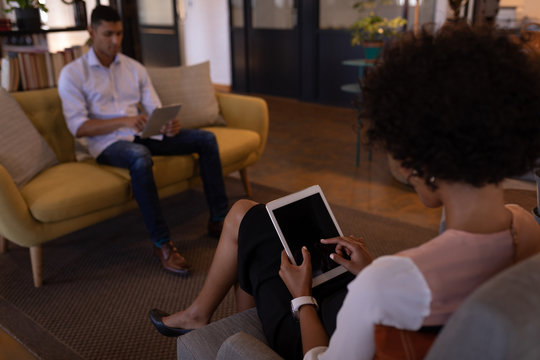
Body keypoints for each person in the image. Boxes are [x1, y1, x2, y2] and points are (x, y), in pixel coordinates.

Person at [149, 24, 540, 359]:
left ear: (412, 158)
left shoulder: (387, 281)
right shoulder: (528, 229)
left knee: (254, 227)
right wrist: (369, 270)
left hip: (313, 331)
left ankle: (223, 324)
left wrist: (302, 298)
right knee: (252, 217)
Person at [57, 5, 229, 275]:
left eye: (120, 33)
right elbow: (79, 128)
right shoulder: (73, 74)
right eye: (108, 34)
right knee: (139, 156)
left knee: (206, 139)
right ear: (91, 32)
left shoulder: (134, 68)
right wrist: (124, 121)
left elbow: (153, 108)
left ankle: (219, 220)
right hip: (107, 144)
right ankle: (162, 244)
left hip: (143, 134)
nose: (115, 41)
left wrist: (167, 125)